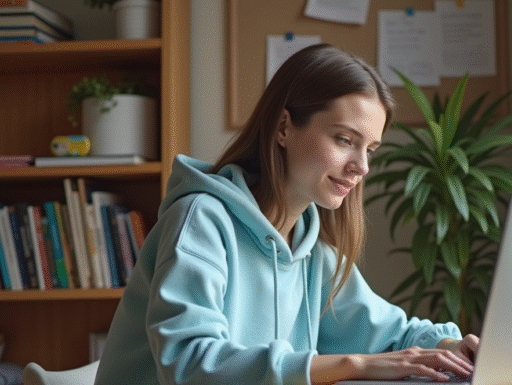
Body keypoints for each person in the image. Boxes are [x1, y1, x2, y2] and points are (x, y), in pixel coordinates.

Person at [94, 43, 479, 385]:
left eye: (370, 149)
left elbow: (390, 333)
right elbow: (189, 364)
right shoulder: (201, 220)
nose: (361, 166)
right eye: (345, 140)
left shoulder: (311, 251)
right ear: (283, 127)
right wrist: (354, 365)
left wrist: (452, 347)